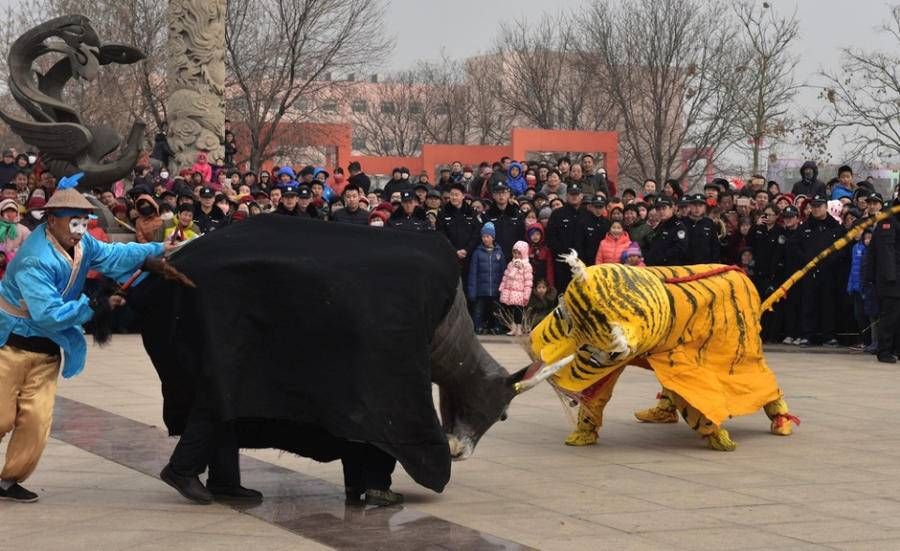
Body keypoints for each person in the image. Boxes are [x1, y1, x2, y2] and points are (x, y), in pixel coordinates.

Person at [0, 173, 170, 502]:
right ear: (51, 221)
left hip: (47, 350)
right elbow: (48, 313)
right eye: (72, 222)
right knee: (2, 416)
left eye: (82, 222)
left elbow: (114, 256)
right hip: (10, 344)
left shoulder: (83, 243)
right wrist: (94, 303)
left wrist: (160, 248)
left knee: (37, 420)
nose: (79, 229)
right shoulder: (34, 259)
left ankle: (9, 480)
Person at [796, 194, 846, 347]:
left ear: (826, 207)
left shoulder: (836, 228)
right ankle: (807, 335)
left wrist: (829, 261)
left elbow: (842, 248)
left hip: (828, 272)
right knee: (808, 302)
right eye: (814, 206)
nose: (816, 209)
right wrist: (807, 261)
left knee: (828, 304)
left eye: (819, 206)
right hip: (809, 271)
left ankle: (828, 335)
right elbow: (796, 248)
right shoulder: (804, 227)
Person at [865, 204, 900, 363]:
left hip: (892, 278)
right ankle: (884, 350)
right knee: (889, 316)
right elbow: (886, 253)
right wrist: (890, 277)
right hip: (891, 280)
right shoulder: (888, 223)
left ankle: (894, 349)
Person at [546, 185, 589, 291]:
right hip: (562, 263)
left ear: (581, 196)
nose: (574, 197)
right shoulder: (557, 214)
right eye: (571, 194)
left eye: (576, 194)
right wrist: (564, 254)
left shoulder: (587, 215)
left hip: (582, 263)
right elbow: (551, 237)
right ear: (566, 196)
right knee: (562, 293)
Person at [436, 183, 479, 284]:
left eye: (456, 195)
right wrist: (454, 251)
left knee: (467, 284)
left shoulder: (471, 212)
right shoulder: (443, 212)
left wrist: (466, 250)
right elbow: (441, 234)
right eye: (452, 195)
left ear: (463, 196)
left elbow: (476, 233)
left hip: (468, 256)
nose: (454, 197)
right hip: (449, 256)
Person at [467, 223, 504, 334]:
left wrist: (503, 289)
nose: (485, 239)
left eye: (488, 236)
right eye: (483, 236)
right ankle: (477, 326)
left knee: (497, 309)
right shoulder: (477, 253)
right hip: (481, 289)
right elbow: (473, 273)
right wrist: (472, 291)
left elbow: (503, 272)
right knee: (478, 310)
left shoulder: (499, 253)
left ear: (493, 237)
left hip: (495, 288)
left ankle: (498, 327)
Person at [483, 182, 526, 263]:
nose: (501, 195)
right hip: (493, 256)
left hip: (513, 256)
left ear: (509, 194)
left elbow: (522, 236)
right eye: (498, 193)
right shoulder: (487, 215)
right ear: (493, 195)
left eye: (504, 193)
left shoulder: (517, 214)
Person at [498, 241, 533, 336]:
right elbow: (505, 276)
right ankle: (513, 328)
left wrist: (526, 295)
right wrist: (502, 287)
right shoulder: (511, 264)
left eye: (519, 253)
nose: (516, 255)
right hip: (509, 292)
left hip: (520, 293)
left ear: (524, 253)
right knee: (511, 310)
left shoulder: (526, 266)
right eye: (515, 252)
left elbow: (528, 282)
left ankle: (519, 328)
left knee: (519, 312)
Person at [644, 197, 689, 266]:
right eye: (658, 209)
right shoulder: (660, 226)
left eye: (664, 208)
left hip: (670, 268)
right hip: (655, 268)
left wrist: (661, 258)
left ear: (671, 209)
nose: (661, 211)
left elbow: (679, 249)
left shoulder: (678, 227)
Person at [685, 193, 721, 263]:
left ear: (704, 208)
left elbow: (715, 246)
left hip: (705, 266)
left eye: (700, 206)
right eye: (694, 205)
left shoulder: (709, 223)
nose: (697, 208)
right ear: (689, 206)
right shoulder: (682, 223)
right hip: (685, 266)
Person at [581, 197, 611, 266]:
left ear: (604, 208)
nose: (598, 209)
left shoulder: (608, 224)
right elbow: (579, 243)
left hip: (603, 261)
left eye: (600, 207)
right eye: (596, 207)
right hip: (587, 261)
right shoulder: (583, 222)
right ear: (591, 207)